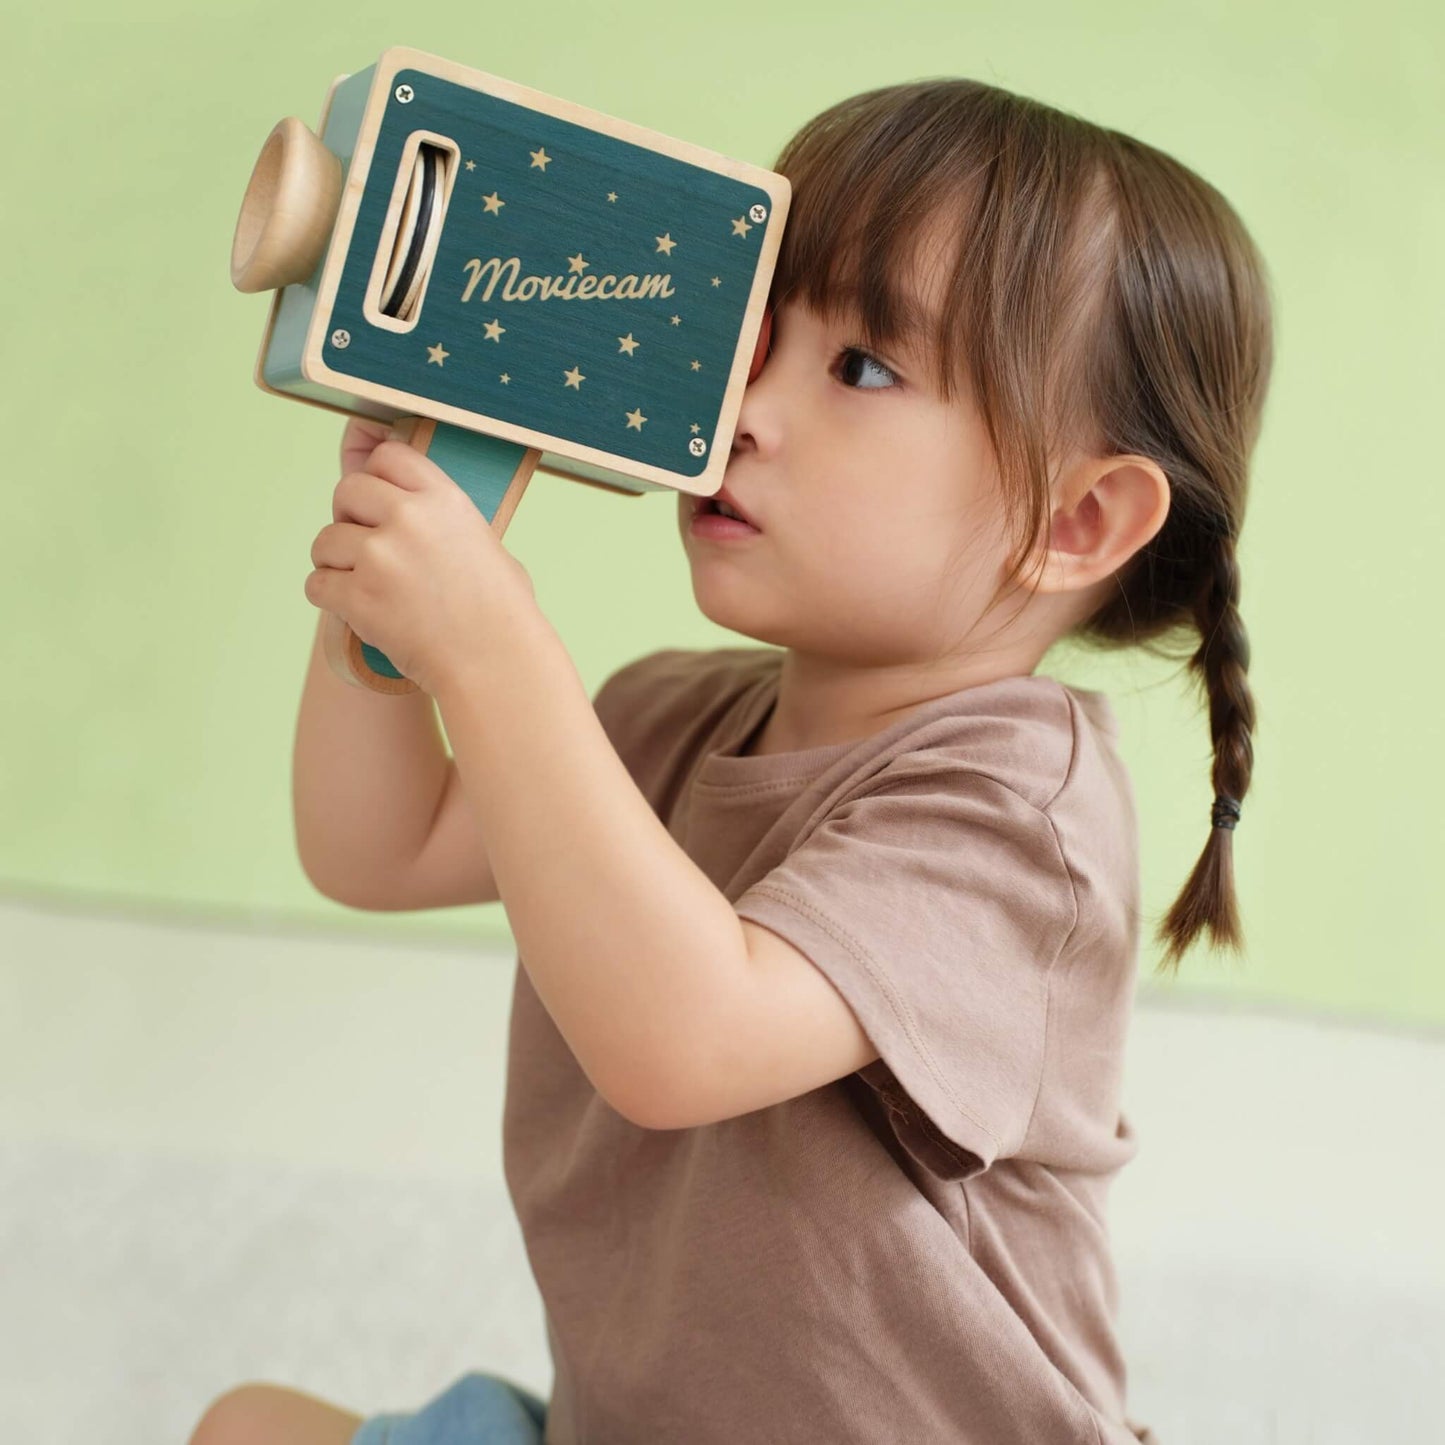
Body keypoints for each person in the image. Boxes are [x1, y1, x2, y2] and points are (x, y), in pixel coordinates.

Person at [190, 73, 1271, 1445]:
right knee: (249, 1427)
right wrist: (389, 588)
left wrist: (497, 653)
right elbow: (372, 844)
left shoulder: (1019, 814)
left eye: (860, 368)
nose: (741, 408)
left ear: (1075, 522)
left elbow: (682, 1037)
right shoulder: (666, 719)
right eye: (748, 337)